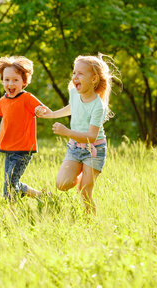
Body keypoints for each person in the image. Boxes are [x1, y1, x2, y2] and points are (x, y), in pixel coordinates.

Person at [36, 54, 117, 213]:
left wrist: (66, 132)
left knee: (85, 193)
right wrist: (50, 114)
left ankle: (91, 223)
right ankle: (82, 175)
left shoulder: (98, 106)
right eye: (74, 73)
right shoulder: (74, 93)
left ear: (94, 79)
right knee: (61, 184)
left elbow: (92, 136)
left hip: (94, 151)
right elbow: (72, 108)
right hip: (75, 149)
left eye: (80, 73)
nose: (75, 77)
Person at [0, 56, 46, 202]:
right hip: (8, 149)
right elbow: (5, 122)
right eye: (7, 80)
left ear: (24, 82)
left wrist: (39, 110)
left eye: (15, 80)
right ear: (2, 80)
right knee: (10, 181)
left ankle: (11, 214)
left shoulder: (27, 98)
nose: (10, 83)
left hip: (23, 149)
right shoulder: (3, 101)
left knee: (10, 184)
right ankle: (41, 196)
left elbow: (40, 108)